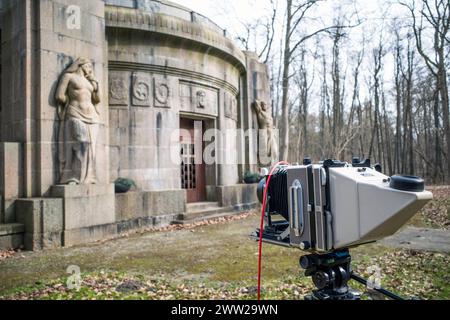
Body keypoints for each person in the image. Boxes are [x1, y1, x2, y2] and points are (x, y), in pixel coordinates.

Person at [55, 58, 101, 185]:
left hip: (92, 116)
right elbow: (59, 95)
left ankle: (89, 177)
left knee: (92, 148)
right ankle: (73, 177)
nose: (90, 68)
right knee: (81, 143)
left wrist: (95, 84)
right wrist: (69, 102)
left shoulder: (89, 82)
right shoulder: (69, 76)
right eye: (88, 65)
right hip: (75, 113)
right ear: (81, 65)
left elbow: (97, 99)